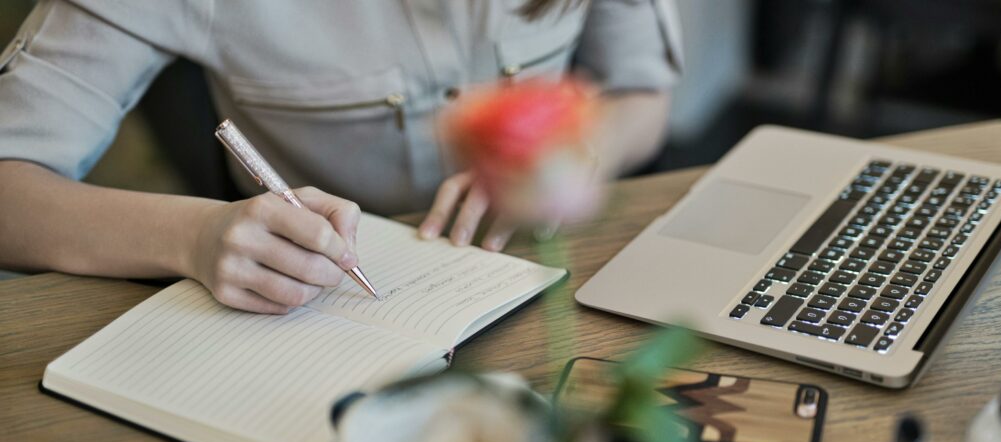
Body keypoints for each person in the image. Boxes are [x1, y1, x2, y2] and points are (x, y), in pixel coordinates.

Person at [0, 0, 682, 314]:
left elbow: (643, 95)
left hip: (549, 283)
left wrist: (584, 151)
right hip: (311, 310)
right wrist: (197, 234)